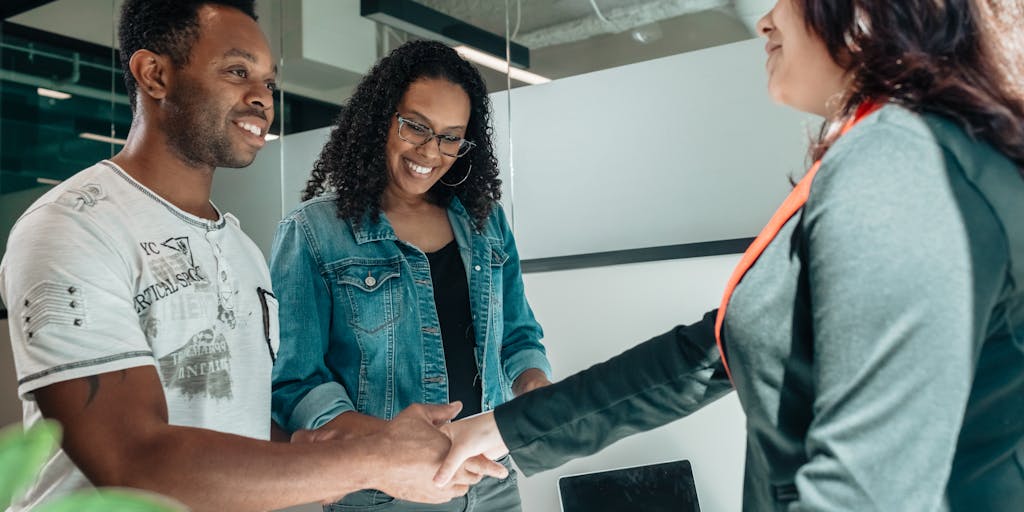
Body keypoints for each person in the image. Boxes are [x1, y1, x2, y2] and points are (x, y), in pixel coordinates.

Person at [435, 0, 1024, 510]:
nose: (765, 22)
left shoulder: (901, 167)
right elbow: (711, 350)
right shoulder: (906, 152)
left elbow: (863, 489)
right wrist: (499, 430)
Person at [0, 2, 504, 511]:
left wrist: (375, 440)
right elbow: (135, 463)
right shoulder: (73, 227)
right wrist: (378, 462)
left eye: (269, 83)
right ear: (155, 74)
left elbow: (240, 422)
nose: (262, 99)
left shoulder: (239, 250)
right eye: (238, 71)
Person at [269, 40, 553, 511]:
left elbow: (519, 337)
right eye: (416, 126)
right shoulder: (313, 233)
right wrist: (395, 446)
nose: (431, 151)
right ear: (382, 118)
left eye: (450, 136)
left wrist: (536, 390)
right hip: (385, 490)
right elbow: (296, 383)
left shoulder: (486, 224)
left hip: (493, 484)